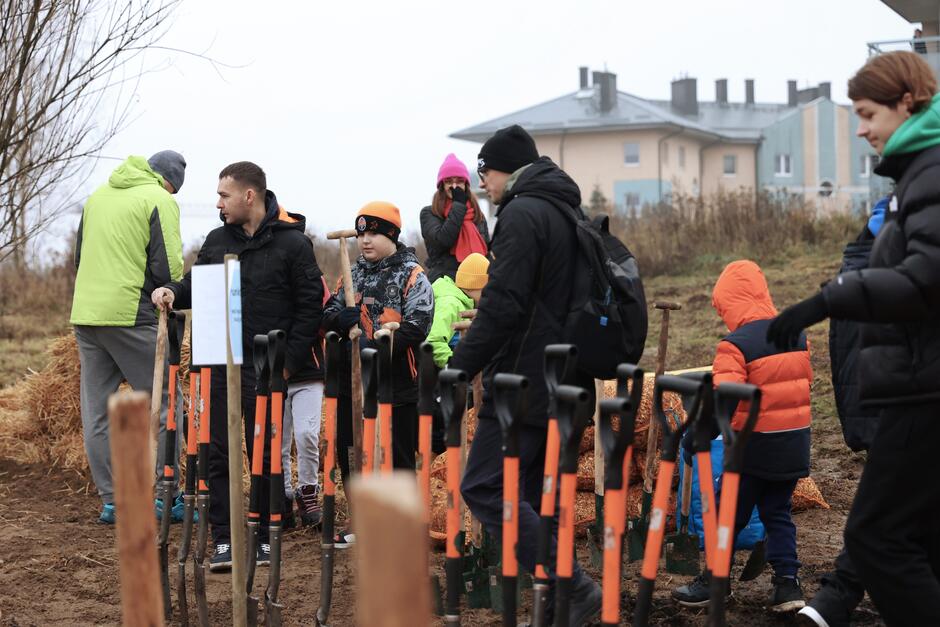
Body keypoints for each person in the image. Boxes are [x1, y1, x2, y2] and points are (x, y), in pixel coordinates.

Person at [768, 51, 940, 626]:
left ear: (906, 104)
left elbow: (924, 280)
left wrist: (828, 298)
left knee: (876, 539)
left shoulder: (933, 174)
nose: (862, 128)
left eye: (868, 114)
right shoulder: (918, 175)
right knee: (919, 539)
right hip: (918, 383)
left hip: (925, 389)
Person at [450, 124, 602, 625]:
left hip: (521, 381)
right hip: (563, 376)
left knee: (484, 487)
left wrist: (461, 364)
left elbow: (504, 302)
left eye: (485, 173)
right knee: (534, 497)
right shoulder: (565, 208)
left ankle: (571, 585)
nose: (483, 185)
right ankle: (558, 603)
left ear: (505, 169)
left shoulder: (521, 213)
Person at [151, 161, 323, 571]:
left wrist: (288, 364)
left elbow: (309, 307)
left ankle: (263, 535)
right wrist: (173, 291)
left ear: (250, 196)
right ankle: (225, 539)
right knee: (217, 454)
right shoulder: (216, 239)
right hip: (218, 363)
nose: (218, 203)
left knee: (263, 454)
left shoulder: (293, 245)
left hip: (266, 369)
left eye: (224, 195)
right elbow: (198, 282)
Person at [672, 260, 812, 613]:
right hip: (794, 444)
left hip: (752, 448)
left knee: (725, 513)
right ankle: (787, 587)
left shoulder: (734, 345)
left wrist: (695, 437)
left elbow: (726, 401)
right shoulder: (796, 334)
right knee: (777, 513)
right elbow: (800, 389)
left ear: (730, 304)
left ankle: (714, 582)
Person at [70, 150, 186, 524]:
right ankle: (168, 496)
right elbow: (167, 268)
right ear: (170, 183)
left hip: (87, 315)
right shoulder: (158, 200)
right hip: (131, 314)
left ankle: (113, 501)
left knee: (97, 411)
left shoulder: (98, 196)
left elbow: (79, 260)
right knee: (167, 400)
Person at [321, 201, 434, 548]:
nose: (365, 240)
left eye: (372, 233)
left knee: (396, 453)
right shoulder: (351, 273)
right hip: (352, 383)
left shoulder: (411, 275)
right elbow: (328, 312)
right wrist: (342, 320)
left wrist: (380, 344)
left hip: (394, 381)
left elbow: (419, 324)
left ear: (391, 235)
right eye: (361, 234)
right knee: (352, 451)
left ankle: (399, 523)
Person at [798, 198, 887, 626]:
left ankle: (836, 599)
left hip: (890, 410)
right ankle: (836, 598)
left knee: (885, 511)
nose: (862, 130)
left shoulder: (861, 263)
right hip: (901, 411)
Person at [281, 274, 329, 529]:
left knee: (306, 434)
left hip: (309, 372)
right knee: (277, 439)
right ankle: (283, 493)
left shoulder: (312, 277)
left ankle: (307, 490)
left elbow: (325, 315)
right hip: (274, 372)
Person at [420, 153, 489, 284]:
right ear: (442, 186)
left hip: (476, 282)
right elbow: (443, 240)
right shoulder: (429, 213)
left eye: (459, 181)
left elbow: (487, 252)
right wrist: (459, 205)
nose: (454, 186)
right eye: (448, 181)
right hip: (445, 282)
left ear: (466, 185)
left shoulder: (477, 215)